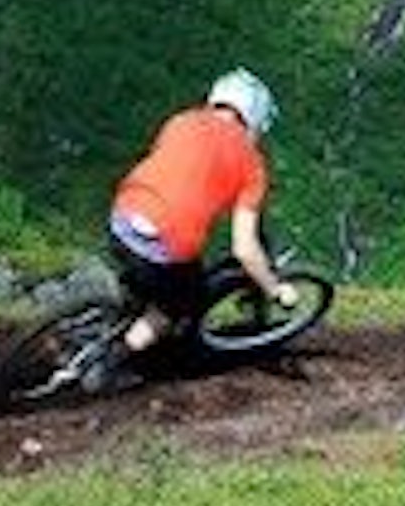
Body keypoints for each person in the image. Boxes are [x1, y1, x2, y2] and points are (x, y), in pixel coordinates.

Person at [87, 68, 299, 388]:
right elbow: (244, 248)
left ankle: (108, 316)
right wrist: (275, 289)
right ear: (254, 117)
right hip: (165, 244)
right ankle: (115, 358)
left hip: (123, 214)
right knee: (179, 303)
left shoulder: (181, 121)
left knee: (147, 272)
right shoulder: (251, 163)